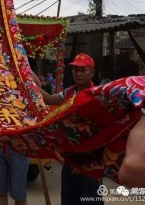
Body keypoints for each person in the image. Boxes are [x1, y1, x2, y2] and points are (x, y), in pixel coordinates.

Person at [37, 53, 104, 205]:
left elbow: (101, 132)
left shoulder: (98, 95)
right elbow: (48, 99)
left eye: (83, 70)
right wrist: (27, 77)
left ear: (92, 72)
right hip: (69, 159)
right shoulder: (69, 92)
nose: (78, 73)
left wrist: (86, 163)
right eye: (75, 70)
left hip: (90, 163)